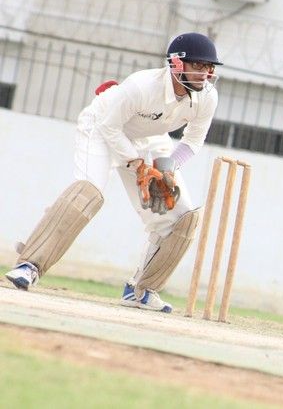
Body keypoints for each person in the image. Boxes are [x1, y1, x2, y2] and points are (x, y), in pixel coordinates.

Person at [4, 32, 222, 314]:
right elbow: (109, 127)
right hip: (102, 127)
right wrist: (138, 165)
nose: (205, 74)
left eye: (209, 67)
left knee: (181, 217)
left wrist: (167, 169)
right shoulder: (141, 86)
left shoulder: (207, 97)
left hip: (150, 138)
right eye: (198, 66)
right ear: (177, 64)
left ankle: (141, 290)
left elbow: (193, 141)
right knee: (87, 193)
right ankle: (29, 265)